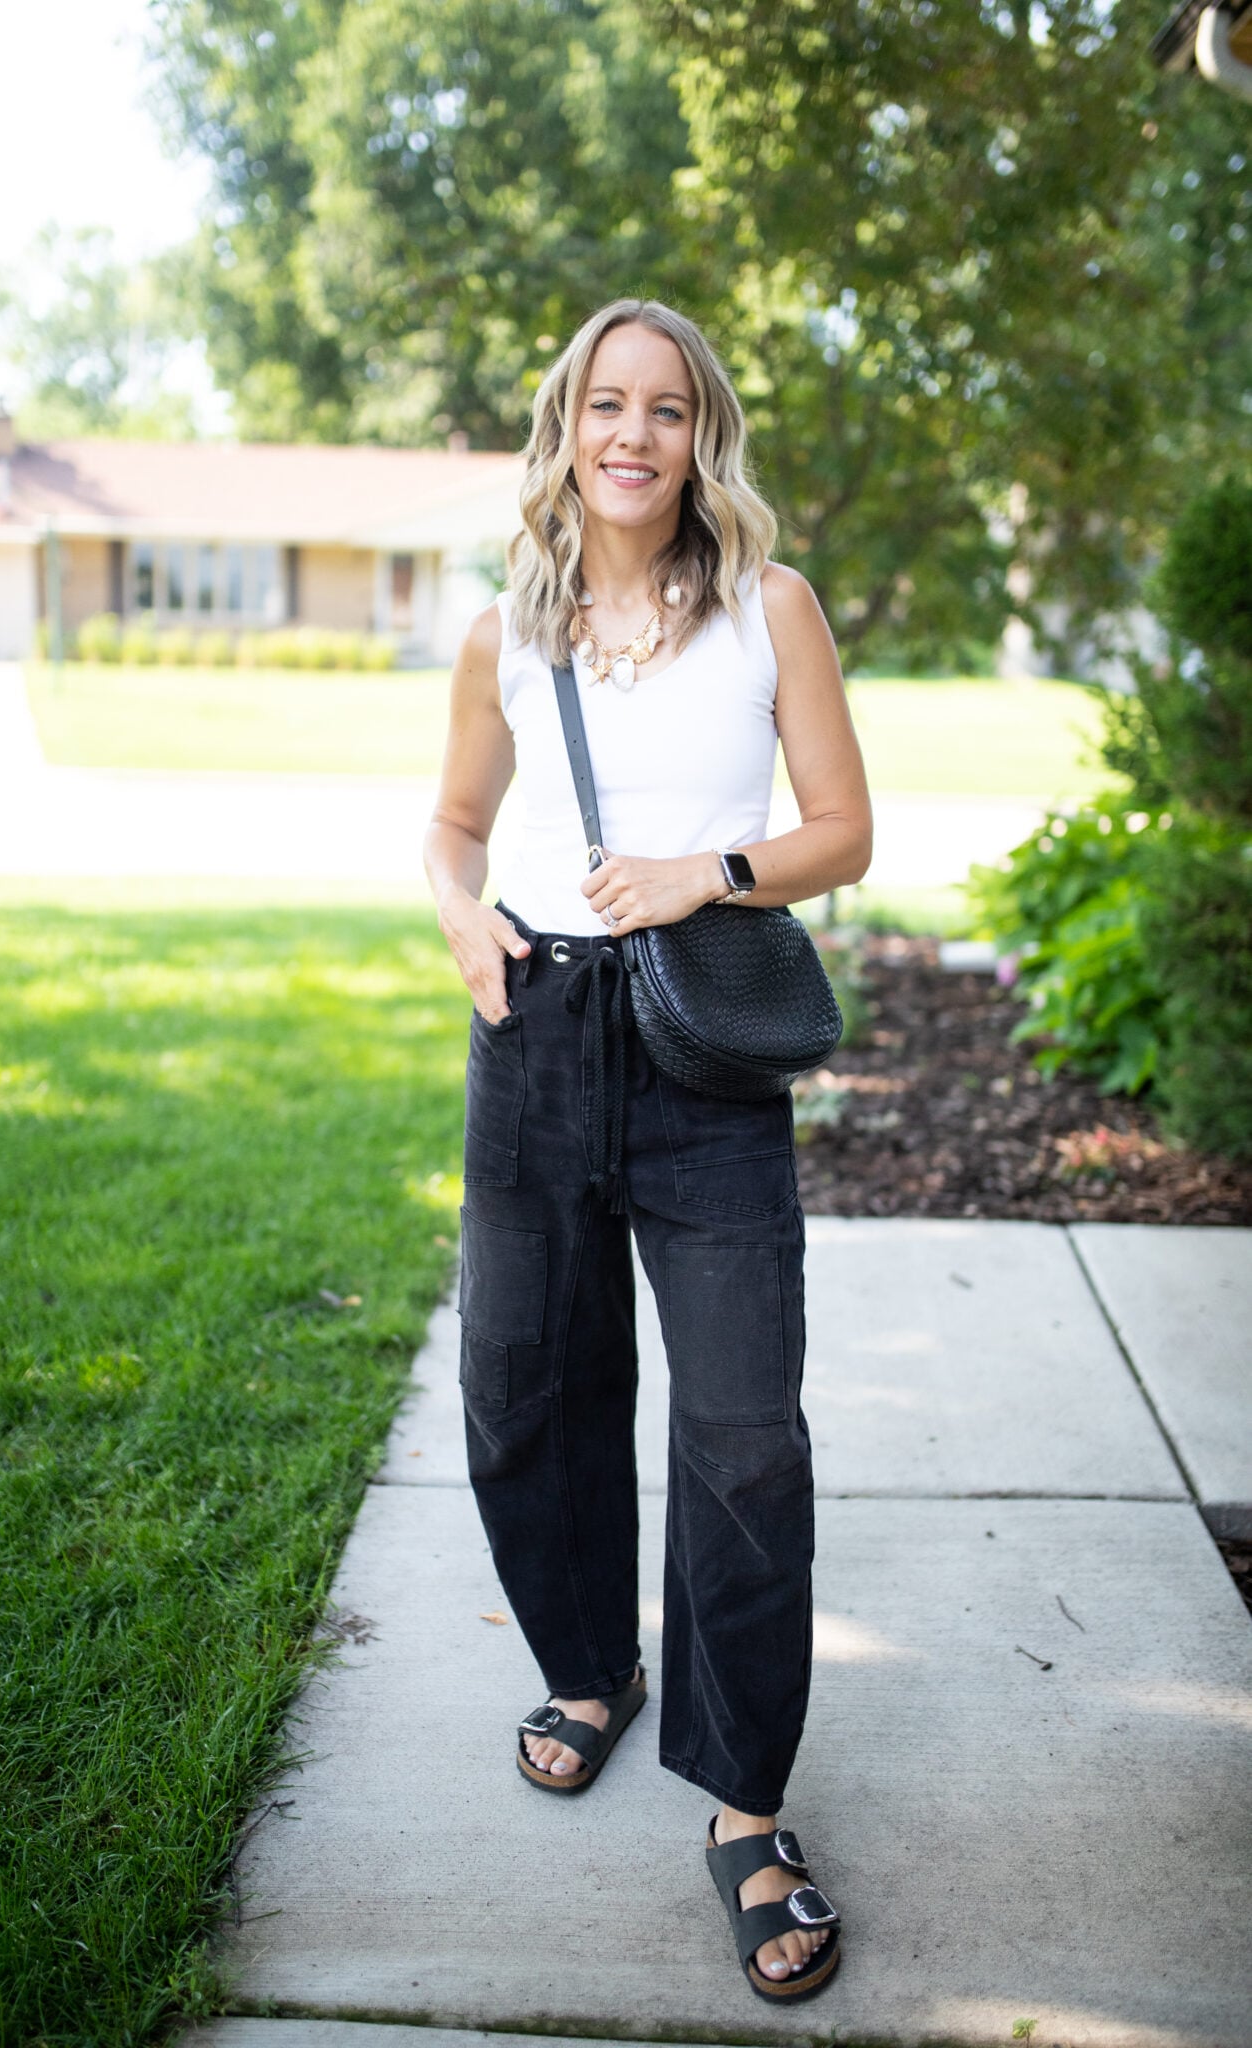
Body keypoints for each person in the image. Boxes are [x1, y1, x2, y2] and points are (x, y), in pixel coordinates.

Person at [423, 298, 873, 2002]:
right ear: (564, 429)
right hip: (533, 1031)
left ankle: (744, 1804)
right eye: (604, 405)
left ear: (700, 436)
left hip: (702, 1044)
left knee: (743, 1432)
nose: (631, 435)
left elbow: (844, 829)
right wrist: (457, 914)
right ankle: (588, 1667)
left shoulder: (770, 607)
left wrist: (710, 875)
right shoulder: (503, 633)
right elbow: (453, 824)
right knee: (525, 1386)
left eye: (664, 409)